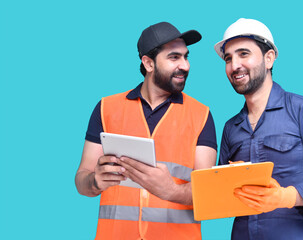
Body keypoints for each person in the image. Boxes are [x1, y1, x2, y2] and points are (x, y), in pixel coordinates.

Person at [214, 18, 303, 240]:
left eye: (244, 54)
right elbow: (221, 197)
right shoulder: (231, 128)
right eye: (228, 58)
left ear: (269, 58)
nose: (234, 65)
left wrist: (286, 197)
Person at [75, 22, 217, 240]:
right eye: (174, 57)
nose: (185, 65)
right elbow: (81, 180)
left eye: (186, 57)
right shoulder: (106, 108)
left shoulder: (201, 115)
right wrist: (95, 182)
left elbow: (208, 193)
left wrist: (171, 191)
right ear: (148, 63)